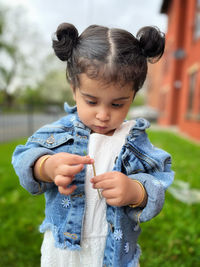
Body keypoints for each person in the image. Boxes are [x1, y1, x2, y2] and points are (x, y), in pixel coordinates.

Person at [12, 22, 174, 267]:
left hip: (115, 251)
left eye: (117, 104)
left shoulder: (133, 140)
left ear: (133, 94)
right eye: (92, 101)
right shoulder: (60, 132)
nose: (103, 115)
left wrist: (135, 191)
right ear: (74, 89)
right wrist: (47, 166)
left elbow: (159, 180)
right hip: (64, 249)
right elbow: (24, 157)